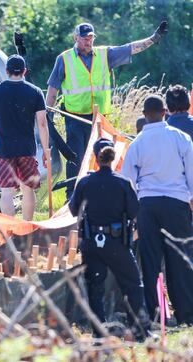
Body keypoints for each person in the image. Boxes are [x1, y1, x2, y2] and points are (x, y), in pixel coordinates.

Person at [46, 21, 168, 198]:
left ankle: (98, 193)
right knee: (75, 157)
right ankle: (71, 196)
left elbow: (130, 48)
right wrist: (47, 114)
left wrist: (153, 39)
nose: (89, 41)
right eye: (85, 38)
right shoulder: (64, 59)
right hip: (74, 116)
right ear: (76, 38)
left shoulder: (105, 54)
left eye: (91, 37)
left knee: (100, 156)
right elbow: (53, 89)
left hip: (98, 117)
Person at [122, 95, 193, 325]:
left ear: (144, 115)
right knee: (180, 261)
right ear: (166, 112)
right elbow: (191, 175)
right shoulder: (181, 138)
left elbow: (128, 182)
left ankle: (153, 314)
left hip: (148, 206)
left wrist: (134, 211)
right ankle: (185, 315)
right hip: (177, 204)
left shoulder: (137, 143)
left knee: (150, 262)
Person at [69, 138, 149, 338]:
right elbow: (133, 212)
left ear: (96, 158)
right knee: (132, 285)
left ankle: (98, 332)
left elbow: (73, 210)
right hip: (116, 242)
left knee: (95, 287)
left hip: (91, 242)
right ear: (112, 157)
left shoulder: (85, 183)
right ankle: (138, 330)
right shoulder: (122, 183)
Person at [0, 55, 49, 221]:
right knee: (28, 189)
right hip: (26, 148)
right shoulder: (35, 91)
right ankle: (27, 229)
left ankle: (10, 230)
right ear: (24, 71)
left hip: (3, 149)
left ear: (7, 71)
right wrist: (46, 150)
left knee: (7, 191)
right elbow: (42, 124)